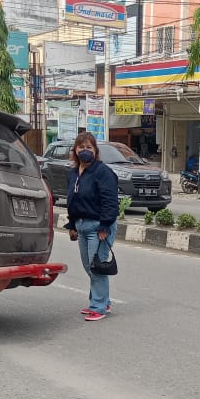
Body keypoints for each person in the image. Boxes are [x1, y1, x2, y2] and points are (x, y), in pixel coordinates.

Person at [63, 133, 118, 322]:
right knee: (89, 267)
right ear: (75, 150)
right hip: (81, 226)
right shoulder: (73, 173)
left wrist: (105, 226)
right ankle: (103, 300)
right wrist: (72, 224)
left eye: (89, 147)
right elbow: (72, 201)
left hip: (98, 227)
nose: (85, 151)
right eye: (81, 147)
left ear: (95, 151)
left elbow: (110, 201)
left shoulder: (102, 172)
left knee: (97, 268)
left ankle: (99, 307)